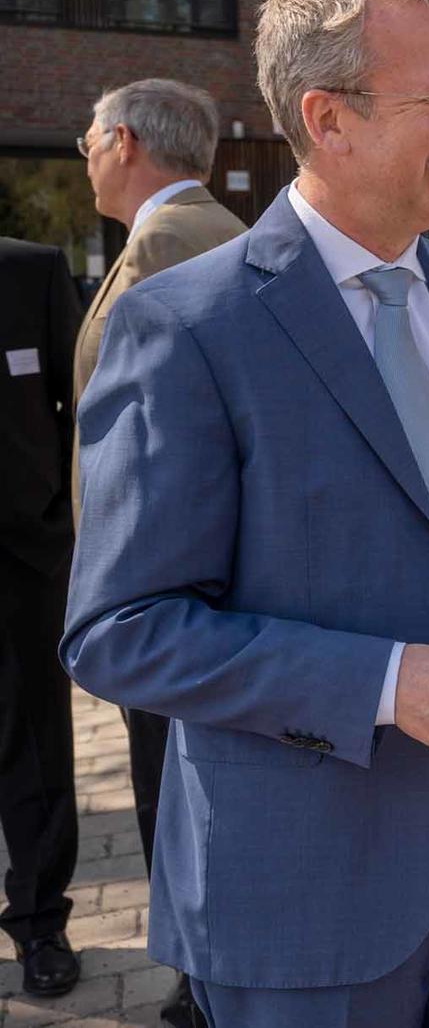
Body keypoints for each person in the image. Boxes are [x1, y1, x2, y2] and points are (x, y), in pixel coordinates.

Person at [63, 0, 429, 1026]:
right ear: (329, 118)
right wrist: (386, 682)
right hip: (300, 893)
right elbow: (121, 629)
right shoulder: (184, 326)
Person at [73, 78, 248, 1028]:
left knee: (177, 797)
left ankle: (205, 983)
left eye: (90, 136)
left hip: (174, 588)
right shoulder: (183, 234)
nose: (83, 151)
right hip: (181, 582)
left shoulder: (173, 242)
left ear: (128, 140)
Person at [0, 238, 82, 999]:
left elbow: (77, 403)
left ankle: (39, 920)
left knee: (35, 745)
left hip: (22, 559)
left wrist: (56, 515)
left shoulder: (29, 271)